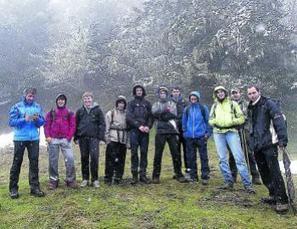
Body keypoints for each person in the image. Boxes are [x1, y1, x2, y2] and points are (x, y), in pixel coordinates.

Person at [247, 85, 288, 213]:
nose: (252, 95)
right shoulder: (250, 107)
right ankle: (273, 194)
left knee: (274, 172)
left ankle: (282, 200)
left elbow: (279, 121)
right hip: (257, 145)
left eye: (254, 92)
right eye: (249, 94)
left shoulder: (269, 104)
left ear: (259, 92)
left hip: (269, 144)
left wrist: (282, 140)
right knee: (264, 172)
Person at [209, 86, 255, 193]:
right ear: (215, 94)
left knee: (239, 158)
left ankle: (248, 185)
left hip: (231, 132)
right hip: (218, 133)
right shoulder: (215, 105)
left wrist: (232, 121)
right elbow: (210, 120)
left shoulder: (232, 104)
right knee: (222, 159)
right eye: (218, 92)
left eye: (222, 92)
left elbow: (241, 118)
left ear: (225, 93)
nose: (220, 94)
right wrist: (215, 121)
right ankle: (228, 182)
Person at [8, 88, 45, 199]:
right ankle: (13, 189)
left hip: (34, 138)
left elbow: (42, 122)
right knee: (17, 163)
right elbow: (11, 122)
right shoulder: (17, 107)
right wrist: (24, 119)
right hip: (20, 138)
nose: (31, 98)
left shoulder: (37, 107)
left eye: (33, 96)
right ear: (25, 96)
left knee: (34, 163)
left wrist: (37, 119)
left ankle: (34, 188)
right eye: (29, 96)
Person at [151, 86, 186, 184]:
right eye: (161, 93)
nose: (163, 94)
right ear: (158, 94)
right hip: (160, 131)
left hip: (172, 130)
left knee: (175, 153)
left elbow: (173, 114)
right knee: (158, 154)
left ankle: (178, 174)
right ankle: (155, 175)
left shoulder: (172, 103)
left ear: (167, 94)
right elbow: (154, 113)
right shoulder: (155, 104)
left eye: (164, 93)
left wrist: (161, 115)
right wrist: (165, 112)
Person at [228, 88, 261, 185]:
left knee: (248, 153)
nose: (235, 95)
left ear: (240, 94)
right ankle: (233, 176)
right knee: (232, 154)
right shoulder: (228, 105)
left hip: (245, 130)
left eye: (236, 93)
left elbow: (250, 116)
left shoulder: (246, 104)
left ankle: (255, 175)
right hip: (232, 131)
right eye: (233, 93)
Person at [44, 94, 77, 189]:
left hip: (65, 140)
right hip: (53, 139)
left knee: (70, 159)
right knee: (53, 161)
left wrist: (69, 137)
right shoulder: (51, 112)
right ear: (56, 101)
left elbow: (73, 125)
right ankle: (53, 180)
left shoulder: (69, 112)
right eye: (59, 100)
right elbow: (46, 125)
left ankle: (70, 180)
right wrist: (48, 136)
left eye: (62, 100)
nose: (61, 101)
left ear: (65, 101)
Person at [74, 92, 105, 188]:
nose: (87, 100)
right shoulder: (79, 111)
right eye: (85, 99)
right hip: (83, 138)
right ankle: (85, 179)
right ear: (83, 100)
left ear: (92, 99)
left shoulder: (98, 110)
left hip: (94, 138)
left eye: (89, 99)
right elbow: (76, 124)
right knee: (84, 158)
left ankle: (95, 179)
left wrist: (100, 137)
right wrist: (76, 137)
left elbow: (102, 124)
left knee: (94, 158)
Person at [182, 91, 211, 184]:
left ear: (198, 99)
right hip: (190, 137)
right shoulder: (187, 109)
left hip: (201, 136)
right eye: (192, 98)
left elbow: (208, 121)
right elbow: (184, 122)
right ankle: (193, 176)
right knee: (191, 157)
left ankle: (205, 176)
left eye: (195, 98)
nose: (193, 100)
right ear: (190, 99)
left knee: (203, 157)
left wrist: (208, 133)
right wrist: (185, 132)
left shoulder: (203, 108)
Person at [126, 84, 153, 184]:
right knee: (134, 153)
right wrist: (138, 126)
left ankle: (143, 175)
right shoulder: (131, 104)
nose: (139, 92)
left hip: (145, 132)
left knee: (144, 152)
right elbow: (129, 117)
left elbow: (151, 117)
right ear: (135, 92)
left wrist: (148, 126)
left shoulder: (147, 104)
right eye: (137, 90)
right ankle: (134, 176)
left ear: (143, 91)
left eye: (140, 90)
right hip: (134, 131)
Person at [104, 96, 129, 185]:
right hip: (113, 139)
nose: (121, 105)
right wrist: (107, 139)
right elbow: (106, 127)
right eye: (119, 103)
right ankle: (108, 178)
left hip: (123, 139)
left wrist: (127, 142)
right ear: (117, 103)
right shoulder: (110, 113)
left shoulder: (127, 114)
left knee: (121, 159)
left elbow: (129, 128)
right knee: (110, 159)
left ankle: (118, 177)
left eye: (123, 103)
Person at [170, 86, 189, 177]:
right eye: (174, 91)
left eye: (177, 91)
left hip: (184, 129)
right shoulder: (169, 102)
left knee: (187, 150)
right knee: (176, 152)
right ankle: (177, 171)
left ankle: (188, 171)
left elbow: (187, 114)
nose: (176, 93)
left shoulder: (184, 102)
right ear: (172, 93)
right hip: (174, 130)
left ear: (180, 92)